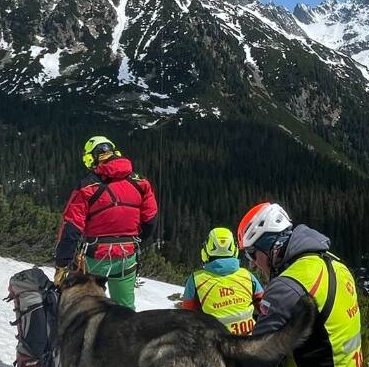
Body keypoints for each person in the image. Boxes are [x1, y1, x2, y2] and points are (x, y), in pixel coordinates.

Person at [195, 203, 364, 367]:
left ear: (270, 247)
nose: (253, 265)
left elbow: (255, 362)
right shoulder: (334, 264)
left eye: (253, 254)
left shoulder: (289, 285)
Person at [54, 135, 158, 310]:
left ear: (91, 158)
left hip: (94, 256)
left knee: (85, 307)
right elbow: (150, 221)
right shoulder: (141, 183)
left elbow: (71, 229)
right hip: (127, 254)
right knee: (125, 309)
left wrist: (62, 264)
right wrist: (135, 240)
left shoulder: (87, 187)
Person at [180, 226, 264, 336]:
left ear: (206, 251)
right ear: (234, 249)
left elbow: (187, 318)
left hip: (214, 345)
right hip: (248, 343)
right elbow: (265, 309)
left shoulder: (196, 280)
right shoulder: (247, 276)